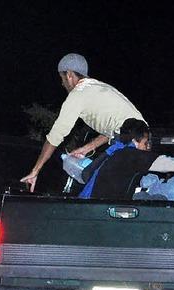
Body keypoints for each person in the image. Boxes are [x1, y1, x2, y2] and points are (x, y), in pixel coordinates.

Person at [21, 53, 146, 192]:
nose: (62, 83)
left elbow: (54, 137)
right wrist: (85, 149)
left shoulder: (78, 94)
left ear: (69, 75)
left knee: (90, 180)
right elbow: (113, 130)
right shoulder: (100, 88)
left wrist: (35, 171)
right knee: (109, 184)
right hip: (141, 140)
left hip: (129, 142)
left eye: (62, 78)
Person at [79, 119, 174, 199]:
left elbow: (86, 175)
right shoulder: (132, 156)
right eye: (146, 143)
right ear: (135, 141)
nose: (148, 148)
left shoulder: (114, 152)